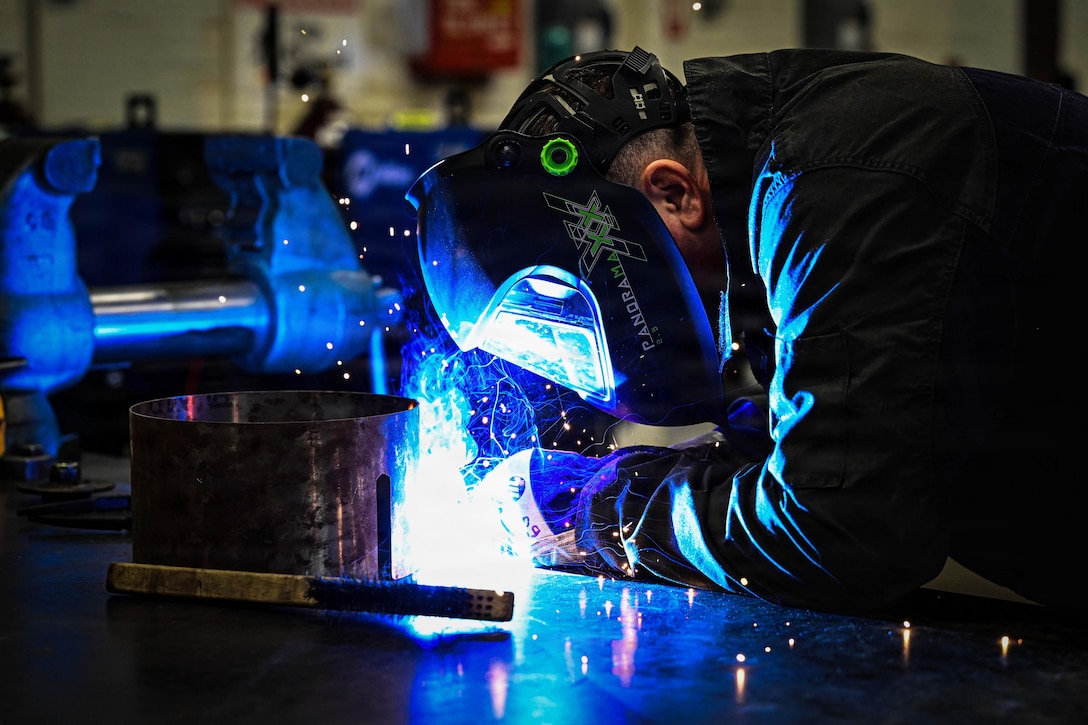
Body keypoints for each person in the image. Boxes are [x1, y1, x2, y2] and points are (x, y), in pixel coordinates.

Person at [406, 47, 1086, 613]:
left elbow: (844, 524)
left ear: (675, 193)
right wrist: (613, 481)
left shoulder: (832, 176)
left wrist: (600, 515)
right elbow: (820, 436)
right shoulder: (782, 196)